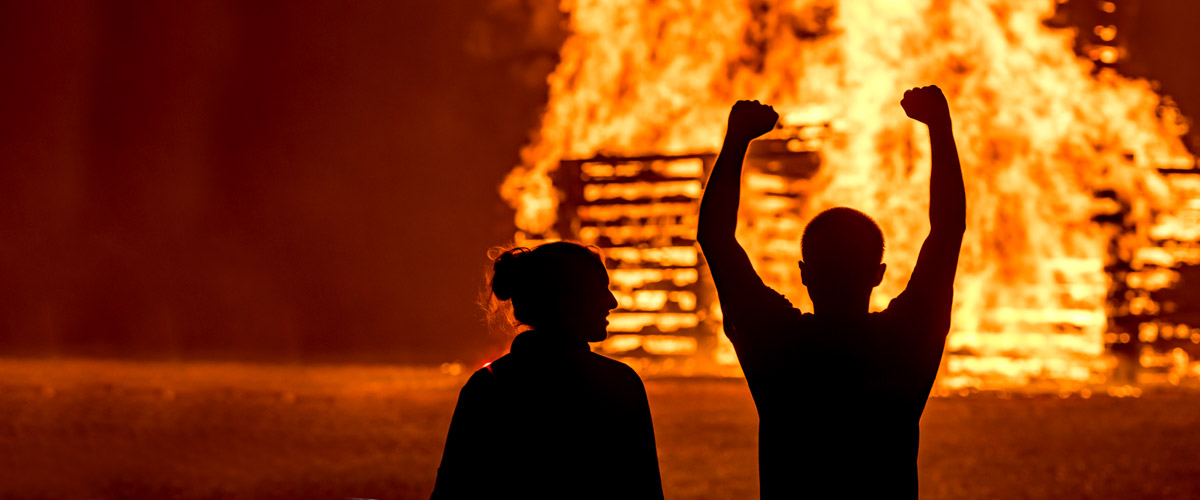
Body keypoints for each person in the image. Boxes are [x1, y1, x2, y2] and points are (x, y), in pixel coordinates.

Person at [696, 86, 966, 499]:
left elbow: (715, 237)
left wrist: (736, 140)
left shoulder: (774, 340)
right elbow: (947, 232)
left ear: (804, 274)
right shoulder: (908, 339)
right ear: (878, 274)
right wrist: (939, 128)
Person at [430, 241, 664, 500]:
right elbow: (645, 490)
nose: (613, 301)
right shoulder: (619, 384)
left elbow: (452, 490)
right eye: (600, 290)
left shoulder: (487, 386)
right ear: (566, 298)